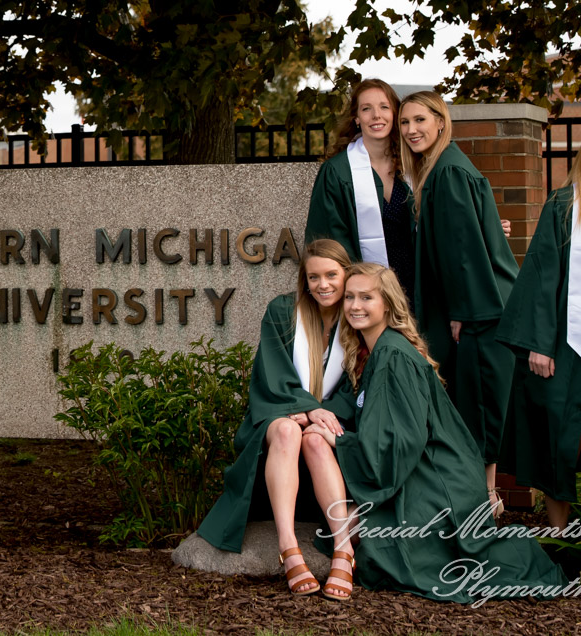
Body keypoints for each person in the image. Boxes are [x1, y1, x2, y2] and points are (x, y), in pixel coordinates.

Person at [321, 262, 566, 603]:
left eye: (366, 297)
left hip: (437, 478)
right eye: (349, 297)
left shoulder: (392, 354)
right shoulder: (377, 350)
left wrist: (341, 442)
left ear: (388, 304)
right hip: (429, 467)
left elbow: (399, 442)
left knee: (388, 548)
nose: (355, 305)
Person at [196, 239, 358, 602]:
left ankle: (344, 551)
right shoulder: (284, 311)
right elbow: (271, 373)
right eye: (313, 277)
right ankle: (288, 547)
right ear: (304, 279)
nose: (323, 284)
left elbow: (358, 385)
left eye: (332, 275)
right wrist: (303, 408)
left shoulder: (357, 316)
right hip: (279, 414)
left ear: (347, 274)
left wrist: (321, 414)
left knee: (316, 437)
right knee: (287, 430)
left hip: (332, 422)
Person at [497, 112, 581, 533]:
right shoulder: (565, 203)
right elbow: (540, 275)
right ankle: (559, 535)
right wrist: (539, 341)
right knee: (560, 435)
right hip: (565, 330)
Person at [399, 90, 519, 513]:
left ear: (440, 121)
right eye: (405, 123)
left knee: (478, 403)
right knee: (472, 401)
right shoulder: (443, 169)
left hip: (477, 313)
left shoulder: (448, 172)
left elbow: (463, 252)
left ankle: (485, 499)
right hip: (474, 309)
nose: (412, 130)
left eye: (419, 120)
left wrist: (460, 313)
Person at [305, 79, 415, 302]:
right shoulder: (337, 173)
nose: (376, 115)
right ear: (356, 118)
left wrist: (485, 226)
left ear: (395, 113)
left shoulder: (415, 166)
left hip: (418, 285)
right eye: (367, 109)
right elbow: (328, 242)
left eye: (384, 107)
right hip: (364, 293)